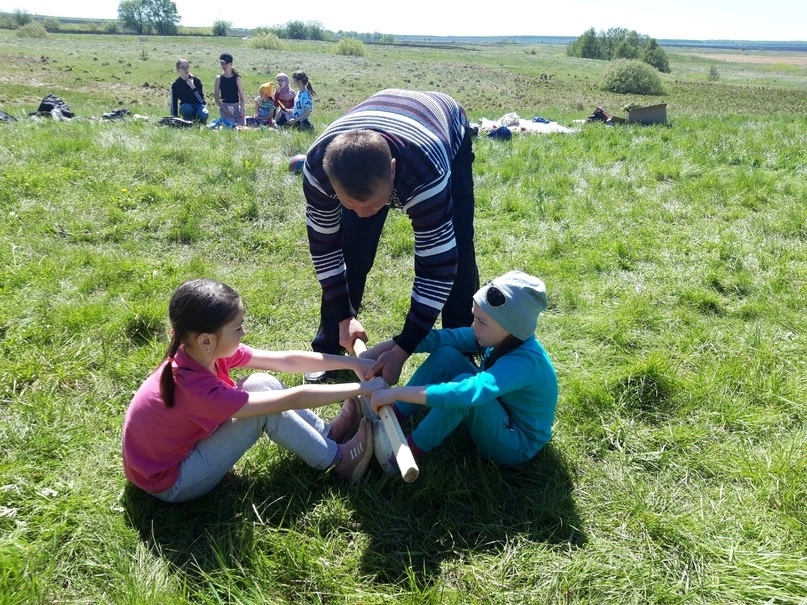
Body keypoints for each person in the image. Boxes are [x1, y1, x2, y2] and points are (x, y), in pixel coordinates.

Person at [122, 278, 387, 503]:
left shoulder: (202, 353)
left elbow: (287, 361)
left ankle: (329, 434)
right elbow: (293, 399)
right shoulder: (194, 388)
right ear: (206, 340)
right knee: (264, 411)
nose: (244, 332)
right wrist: (361, 388)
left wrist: (354, 363)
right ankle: (338, 461)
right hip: (171, 482)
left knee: (260, 382)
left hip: (169, 459)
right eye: (237, 328)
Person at [302, 89, 480, 385]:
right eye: (350, 204)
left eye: (371, 203)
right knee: (351, 248)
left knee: (457, 247)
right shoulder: (318, 170)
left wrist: (403, 347)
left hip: (443, 123)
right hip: (387, 119)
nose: (362, 213)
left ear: (393, 171)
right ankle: (330, 346)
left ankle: (460, 349)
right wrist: (344, 316)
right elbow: (325, 249)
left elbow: (437, 268)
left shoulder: (425, 171)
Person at [370, 271, 558, 468]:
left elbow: (469, 393)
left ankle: (403, 455)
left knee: (466, 393)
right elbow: (442, 338)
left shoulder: (525, 363)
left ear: (511, 327)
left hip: (517, 443)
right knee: (446, 355)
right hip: (499, 409)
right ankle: (395, 414)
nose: (473, 326)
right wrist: (384, 350)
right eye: (474, 317)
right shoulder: (500, 336)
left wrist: (398, 392)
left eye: (481, 322)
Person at [169, 58, 209, 123]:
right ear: (178, 70)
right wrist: (174, 116)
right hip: (187, 106)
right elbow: (174, 102)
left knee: (204, 114)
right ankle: (188, 122)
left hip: (199, 106)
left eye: (187, 67)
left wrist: (192, 87)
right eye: (182, 67)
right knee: (184, 108)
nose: (185, 69)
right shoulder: (176, 85)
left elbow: (201, 100)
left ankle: (200, 122)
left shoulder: (196, 81)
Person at [214, 53, 246, 126]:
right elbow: (216, 99)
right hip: (225, 107)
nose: (224, 66)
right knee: (232, 126)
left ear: (231, 64)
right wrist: (225, 110)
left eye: (226, 63)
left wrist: (241, 111)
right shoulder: (219, 78)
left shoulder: (237, 79)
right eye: (222, 63)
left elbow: (242, 98)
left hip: (237, 107)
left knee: (241, 126)